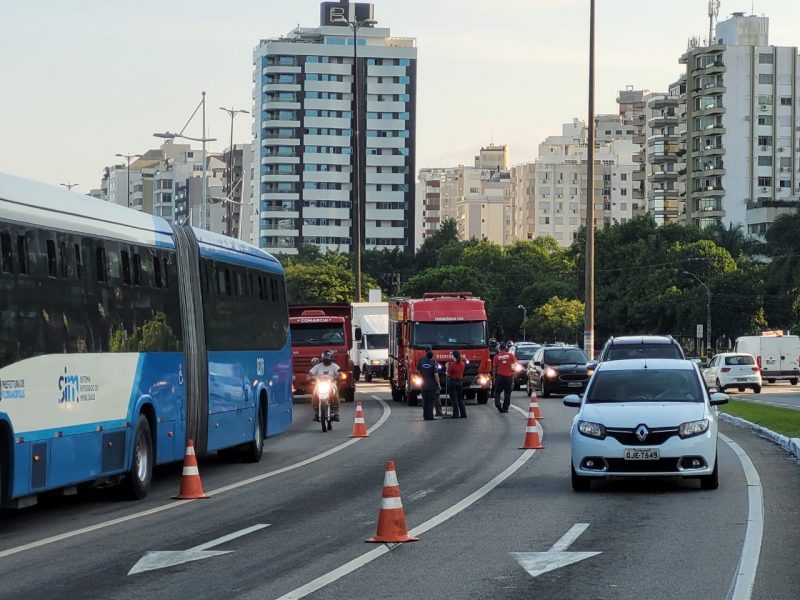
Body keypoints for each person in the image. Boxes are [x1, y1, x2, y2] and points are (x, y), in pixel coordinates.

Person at [309, 349, 341, 422]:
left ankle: (336, 412)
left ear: (332, 358)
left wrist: (337, 376)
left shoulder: (335, 366)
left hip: (331, 383)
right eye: (325, 358)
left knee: (336, 394)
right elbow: (311, 373)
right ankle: (316, 412)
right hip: (320, 384)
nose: (327, 359)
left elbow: (339, 373)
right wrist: (311, 377)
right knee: (314, 394)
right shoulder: (318, 366)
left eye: (329, 358)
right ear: (322, 358)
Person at [417, 346, 441, 420]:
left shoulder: (421, 360)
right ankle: (430, 416)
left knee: (425, 400)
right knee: (431, 401)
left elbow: (417, 370)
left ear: (425, 351)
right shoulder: (433, 361)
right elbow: (436, 375)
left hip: (423, 385)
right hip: (432, 385)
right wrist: (439, 385)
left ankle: (425, 416)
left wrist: (422, 376)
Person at [492, 342, 517, 413]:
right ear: (506, 348)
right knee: (507, 393)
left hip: (499, 377)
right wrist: (514, 373)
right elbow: (514, 366)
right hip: (508, 377)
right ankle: (505, 408)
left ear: (499, 349)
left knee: (497, 392)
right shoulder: (511, 356)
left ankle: (498, 404)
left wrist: (494, 378)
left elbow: (494, 368)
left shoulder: (496, 357)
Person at [447, 350, 467, 418]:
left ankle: (456, 414)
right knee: (460, 399)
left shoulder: (452, 364)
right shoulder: (462, 364)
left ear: (454, 356)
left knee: (454, 399)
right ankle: (463, 413)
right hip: (460, 382)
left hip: (453, 382)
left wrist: (447, 367)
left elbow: (448, 374)